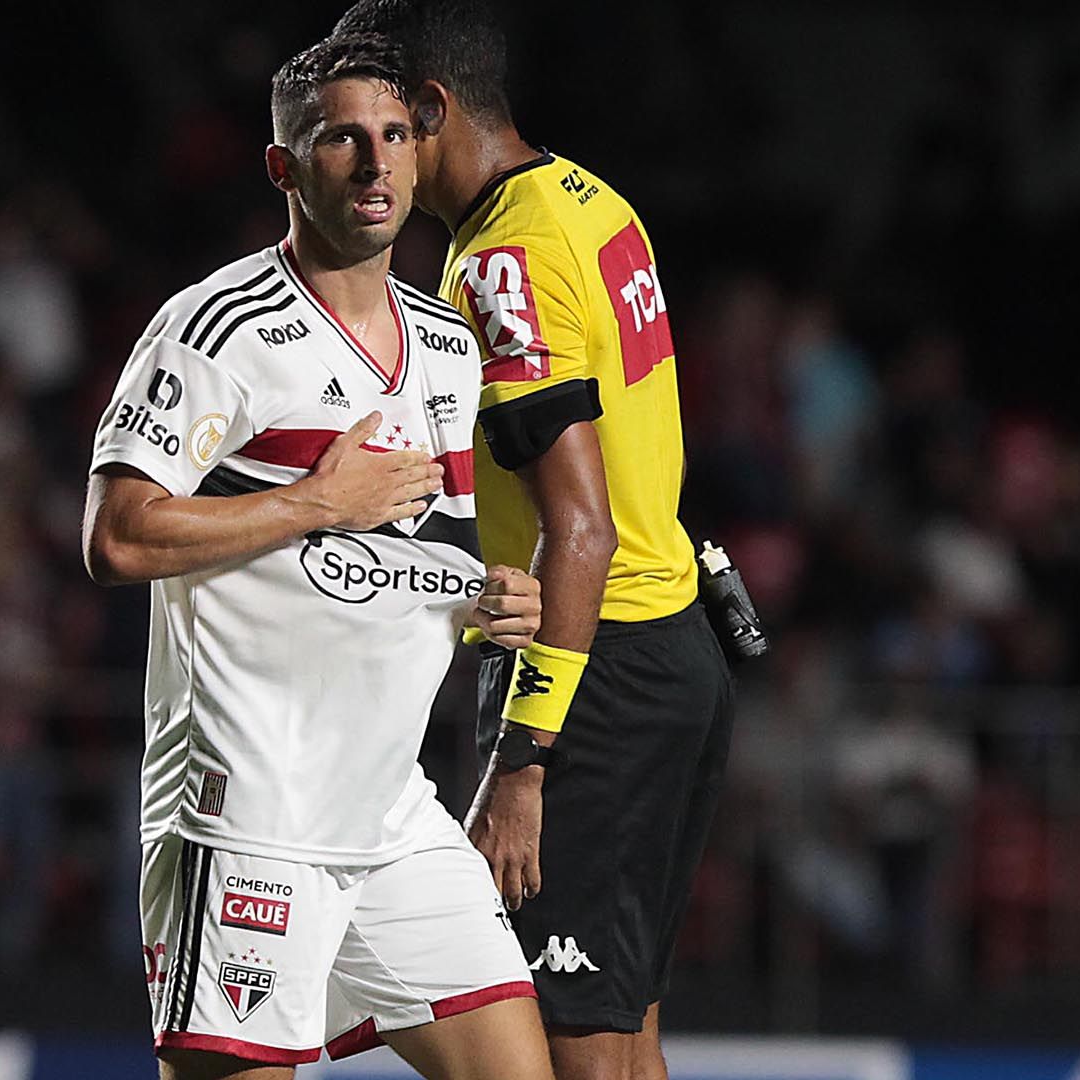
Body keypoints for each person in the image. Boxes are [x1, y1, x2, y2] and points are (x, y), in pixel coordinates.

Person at [82, 35, 555, 1080]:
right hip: (250, 806)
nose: (377, 163)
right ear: (284, 167)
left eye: (394, 135)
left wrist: (486, 597)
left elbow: (418, 548)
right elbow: (117, 537)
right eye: (342, 138)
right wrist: (312, 502)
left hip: (391, 809)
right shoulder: (214, 329)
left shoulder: (445, 342)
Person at [328, 5, 737, 1079]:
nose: (370, 160)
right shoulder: (589, 201)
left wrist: (523, 763)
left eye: (381, 128)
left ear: (433, 109)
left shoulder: (502, 259)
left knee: (572, 1059)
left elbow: (582, 526)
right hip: (668, 649)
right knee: (625, 1038)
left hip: (591, 676)